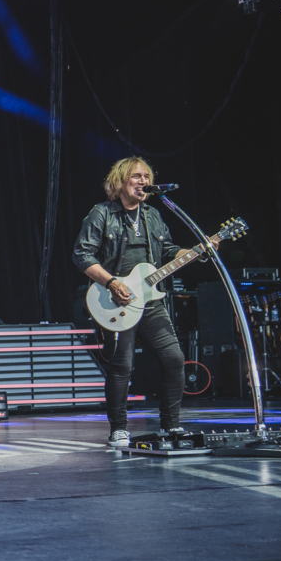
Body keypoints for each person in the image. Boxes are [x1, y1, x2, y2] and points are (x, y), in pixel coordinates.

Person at [73, 156, 214, 448]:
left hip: (150, 301)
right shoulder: (102, 214)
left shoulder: (152, 215)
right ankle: (118, 429)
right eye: (136, 176)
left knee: (174, 359)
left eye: (146, 176)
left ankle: (171, 426)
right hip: (114, 299)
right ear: (120, 181)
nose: (144, 181)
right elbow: (82, 255)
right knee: (122, 366)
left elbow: (168, 252)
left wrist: (196, 252)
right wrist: (112, 283)